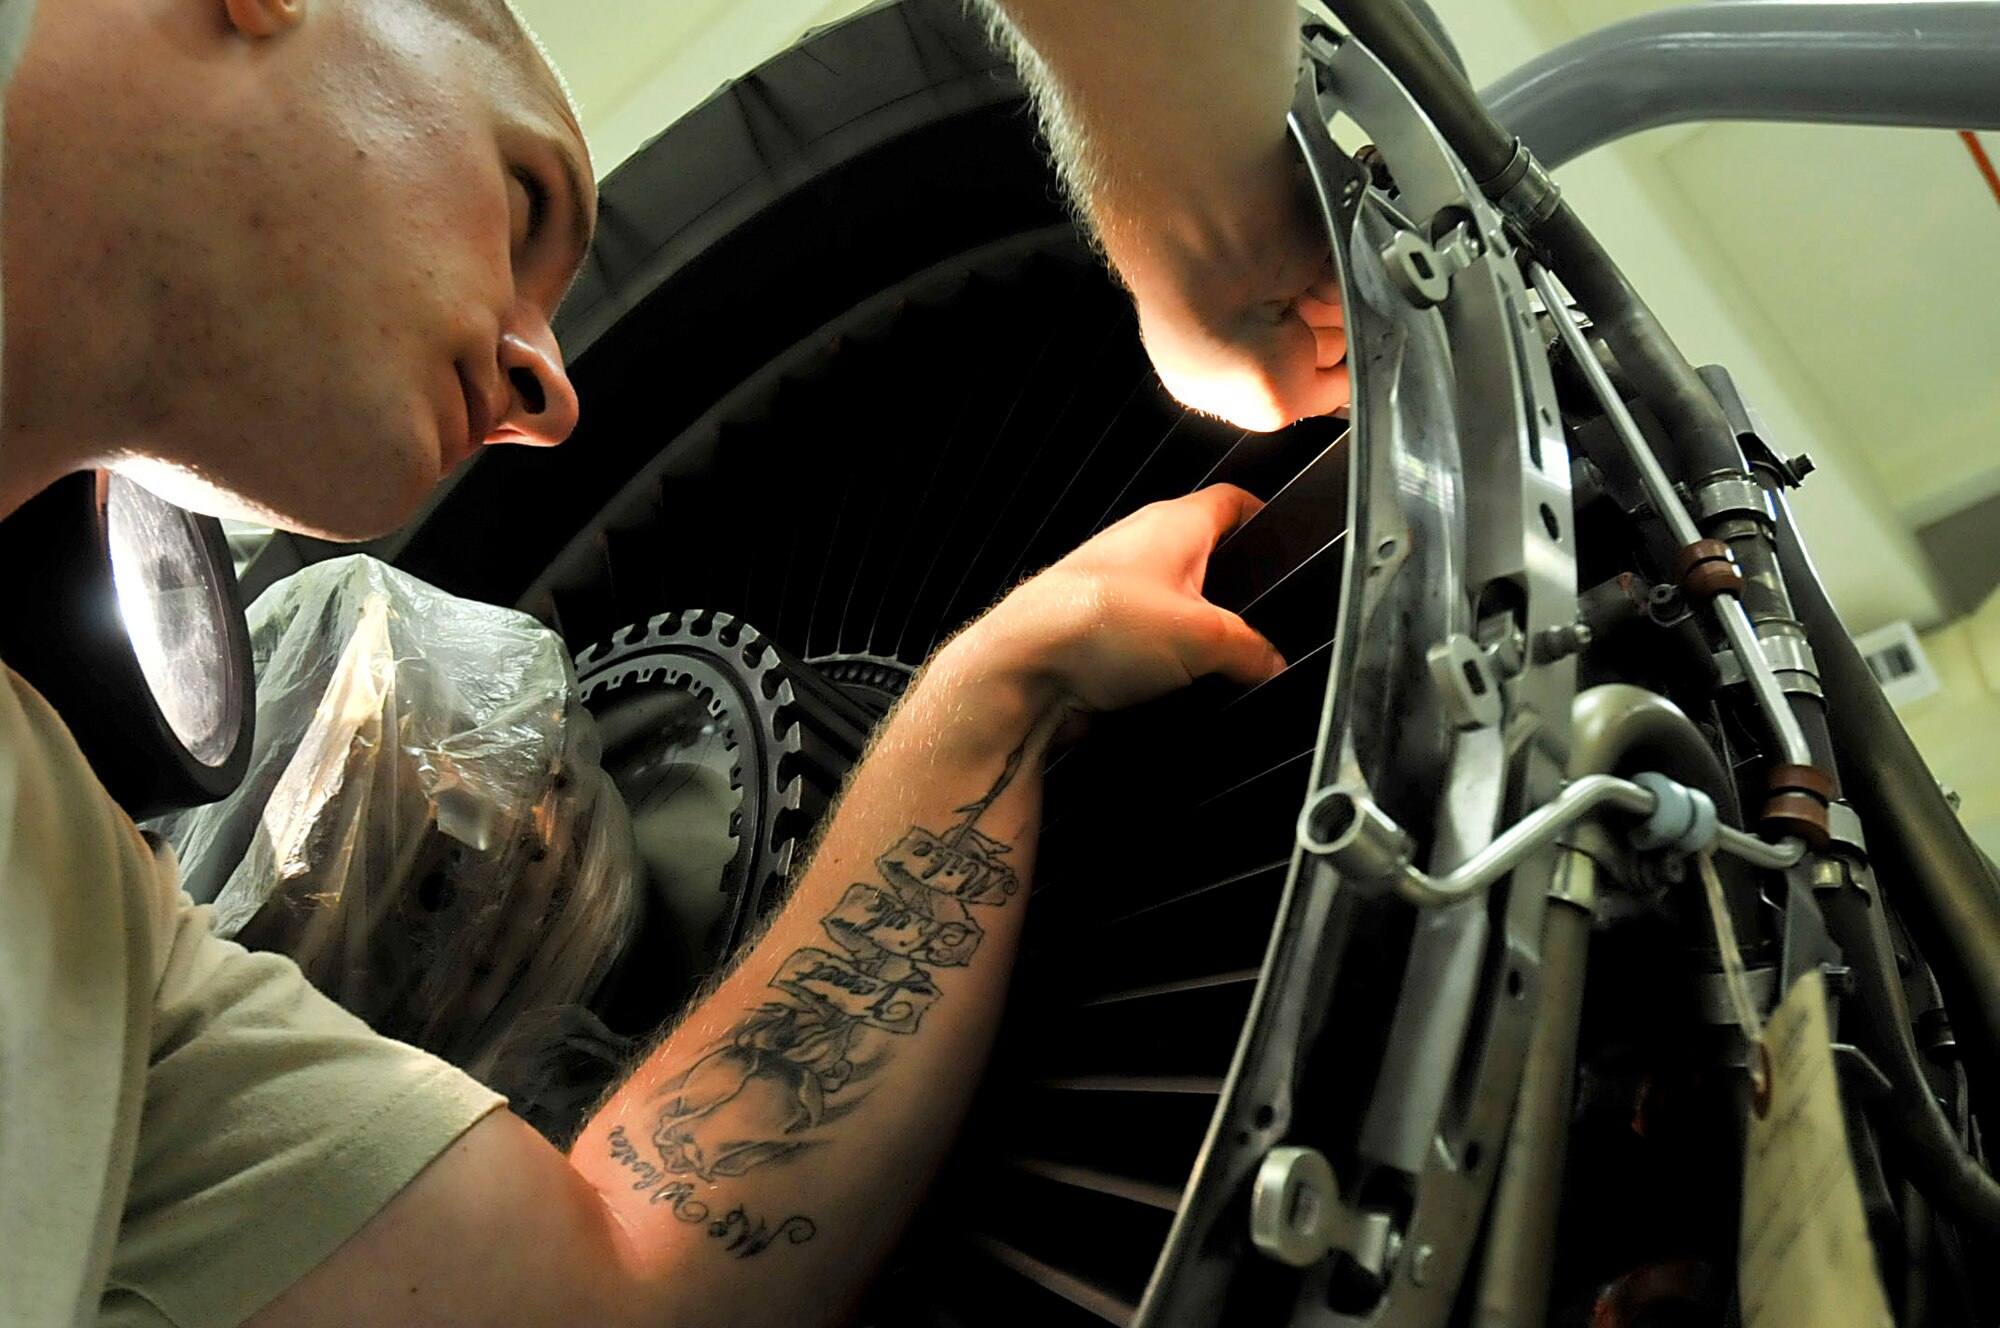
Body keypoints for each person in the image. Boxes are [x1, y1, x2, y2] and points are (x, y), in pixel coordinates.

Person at [0, 2, 1345, 1326]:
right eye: (524, 202)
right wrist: (1190, 203)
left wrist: (994, 692)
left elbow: (616, 1286)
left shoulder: (90, 931)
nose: (552, 390)